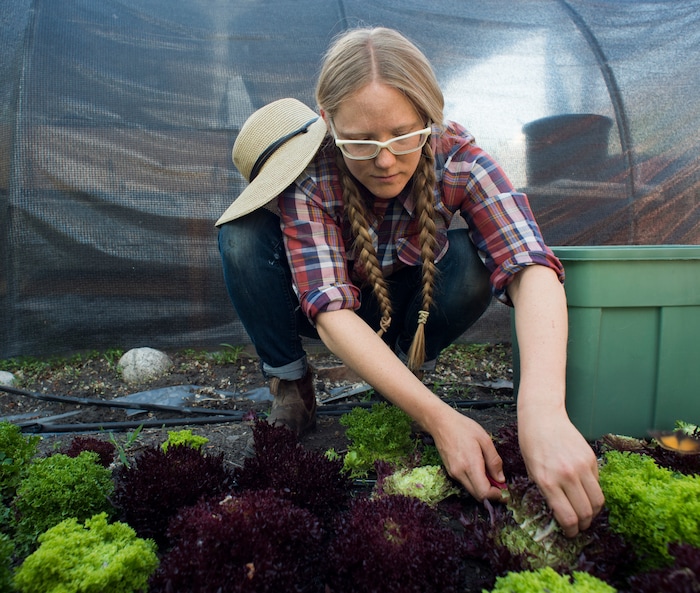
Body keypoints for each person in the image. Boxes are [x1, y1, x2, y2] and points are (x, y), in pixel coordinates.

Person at [217, 27, 604, 537]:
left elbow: (530, 265)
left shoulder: (459, 157)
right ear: (329, 122)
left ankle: (405, 368)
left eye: (403, 135)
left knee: (473, 256)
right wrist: (441, 421)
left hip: (413, 306)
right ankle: (290, 381)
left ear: (430, 115)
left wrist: (543, 411)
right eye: (361, 141)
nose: (384, 158)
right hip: (337, 315)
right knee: (239, 235)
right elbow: (331, 310)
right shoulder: (309, 175)